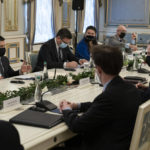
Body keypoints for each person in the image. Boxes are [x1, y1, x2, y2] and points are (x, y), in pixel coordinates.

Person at [59, 45, 143, 150]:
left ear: (98, 70)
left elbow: (77, 125)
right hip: (121, 142)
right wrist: (76, 105)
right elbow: (100, 107)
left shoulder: (108, 97)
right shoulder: (131, 88)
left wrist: (66, 109)